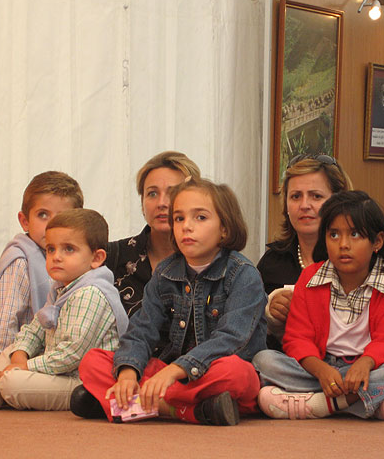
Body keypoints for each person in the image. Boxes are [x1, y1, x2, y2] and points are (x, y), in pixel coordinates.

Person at [72, 178, 267, 426]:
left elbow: (231, 339)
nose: (187, 226)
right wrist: (128, 373)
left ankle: (141, 405)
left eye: (200, 218)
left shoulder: (243, 274)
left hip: (209, 373)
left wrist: (173, 372)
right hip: (171, 374)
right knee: (93, 361)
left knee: (239, 374)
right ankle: (188, 410)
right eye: (179, 218)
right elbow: (141, 330)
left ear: (225, 229)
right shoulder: (166, 272)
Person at [253, 191, 384, 420]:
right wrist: (321, 370)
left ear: (377, 241)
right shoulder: (310, 278)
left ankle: (323, 404)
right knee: (263, 361)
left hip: (370, 369)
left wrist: (366, 363)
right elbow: (297, 339)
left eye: (355, 234)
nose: (343, 245)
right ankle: (367, 400)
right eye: (334, 235)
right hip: (320, 369)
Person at [0, 209, 128, 410]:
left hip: (80, 380)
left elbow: (71, 355)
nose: (56, 257)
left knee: (13, 383)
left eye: (68, 249)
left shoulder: (91, 293)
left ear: (96, 258)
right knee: (11, 349)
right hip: (57, 370)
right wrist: (21, 354)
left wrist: (26, 366)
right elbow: (35, 329)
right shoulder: (61, 288)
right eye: (51, 249)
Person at [0, 171, 84, 364]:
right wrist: (6, 375)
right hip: (20, 372)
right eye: (43, 215)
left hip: (52, 365)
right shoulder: (20, 261)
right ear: (25, 221)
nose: (51, 225)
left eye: (63, 217)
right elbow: (1, 331)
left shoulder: (72, 261)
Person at [257, 154, 352, 348]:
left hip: (350, 362)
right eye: (295, 196)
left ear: (339, 202)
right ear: (286, 205)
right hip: (287, 365)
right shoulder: (272, 262)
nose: (304, 205)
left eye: (316, 196)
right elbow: (251, 331)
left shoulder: (357, 257)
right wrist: (271, 313)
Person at [105, 151, 201, 316]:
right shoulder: (111, 257)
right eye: (152, 194)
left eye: (172, 193)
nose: (162, 203)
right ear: (142, 203)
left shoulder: (211, 262)